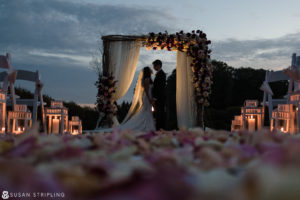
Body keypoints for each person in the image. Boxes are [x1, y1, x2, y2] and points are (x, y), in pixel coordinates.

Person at [100, 67, 156, 132]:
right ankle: (147, 126)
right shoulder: (147, 79)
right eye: (150, 69)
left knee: (146, 111)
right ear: (148, 71)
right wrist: (150, 98)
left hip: (145, 96)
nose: (151, 70)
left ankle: (146, 126)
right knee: (147, 111)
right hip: (147, 96)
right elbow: (146, 90)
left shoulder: (144, 79)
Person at [152, 59, 166, 130]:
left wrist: (155, 97)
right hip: (159, 98)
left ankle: (160, 128)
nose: (154, 67)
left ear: (159, 65)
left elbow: (159, 88)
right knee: (158, 113)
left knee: (159, 113)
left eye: (154, 66)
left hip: (160, 98)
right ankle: (159, 127)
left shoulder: (161, 74)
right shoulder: (159, 73)